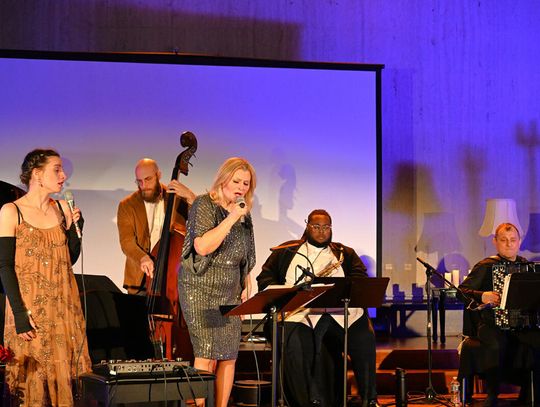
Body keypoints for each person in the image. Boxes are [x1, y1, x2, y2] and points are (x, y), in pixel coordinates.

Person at [257, 209, 380, 407]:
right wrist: (287, 294)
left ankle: (369, 399)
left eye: (326, 227)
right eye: (316, 227)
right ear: (307, 227)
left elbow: (360, 280)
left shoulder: (344, 253)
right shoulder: (286, 251)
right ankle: (304, 401)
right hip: (301, 313)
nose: (322, 231)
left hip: (339, 313)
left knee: (364, 337)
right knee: (296, 341)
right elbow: (265, 278)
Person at [0, 148, 92, 406]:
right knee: (34, 379)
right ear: (37, 174)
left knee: (65, 377)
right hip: (30, 308)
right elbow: (4, 265)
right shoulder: (11, 211)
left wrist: (76, 230)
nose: (63, 176)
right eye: (57, 169)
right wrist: (19, 313)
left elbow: (69, 259)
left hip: (63, 308)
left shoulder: (61, 208)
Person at [179, 157, 256, 407]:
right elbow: (202, 247)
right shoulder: (204, 204)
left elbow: (245, 255)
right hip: (201, 289)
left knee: (228, 355)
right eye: (236, 181)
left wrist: (246, 284)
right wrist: (231, 217)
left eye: (246, 183)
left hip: (229, 291)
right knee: (206, 352)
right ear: (223, 179)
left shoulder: (244, 214)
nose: (241, 187)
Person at [459, 222, 540, 406]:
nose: (509, 244)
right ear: (495, 242)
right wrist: (482, 295)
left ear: (519, 242)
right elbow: (461, 291)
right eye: (503, 240)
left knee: (537, 342)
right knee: (495, 344)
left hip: (521, 324)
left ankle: (529, 395)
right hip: (491, 322)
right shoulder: (486, 266)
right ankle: (492, 394)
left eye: (513, 240)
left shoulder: (527, 266)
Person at [117, 158, 196, 294]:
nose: (144, 185)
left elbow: (203, 217)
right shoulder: (127, 205)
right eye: (139, 181)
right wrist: (142, 258)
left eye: (148, 179)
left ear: (158, 175)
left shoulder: (176, 197)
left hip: (173, 274)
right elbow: (126, 242)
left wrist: (191, 196)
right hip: (141, 279)